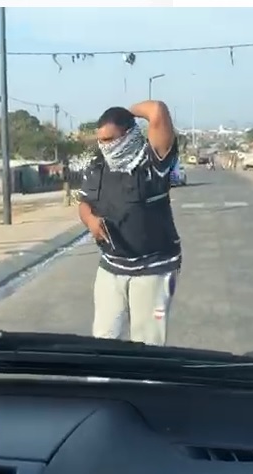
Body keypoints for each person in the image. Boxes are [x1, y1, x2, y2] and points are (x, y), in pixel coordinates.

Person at [78, 100, 180, 346]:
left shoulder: (153, 162)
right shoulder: (97, 168)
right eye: (100, 141)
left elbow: (156, 110)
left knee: (147, 343)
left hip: (153, 268)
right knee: (103, 338)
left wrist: (124, 111)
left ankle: (146, 384)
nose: (105, 147)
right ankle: (104, 383)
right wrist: (91, 221)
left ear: (128, 134)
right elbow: (84, 203)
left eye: (110, 139)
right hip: (111, 266)